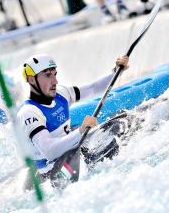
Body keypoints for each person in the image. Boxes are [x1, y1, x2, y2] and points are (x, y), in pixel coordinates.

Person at [17, 53, 129, 184]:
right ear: (31, 79)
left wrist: (116, 71)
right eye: (47, 75)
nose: (55, 81)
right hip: (48, 176)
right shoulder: (29, 113)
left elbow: (93, 88)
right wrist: (81, 130)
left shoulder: (61, 94)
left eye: (55, 74)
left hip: (70, 155)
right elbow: (50, 151)